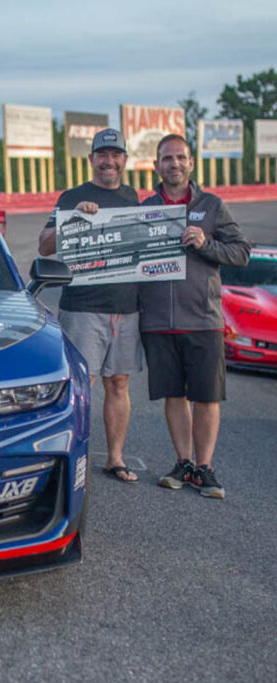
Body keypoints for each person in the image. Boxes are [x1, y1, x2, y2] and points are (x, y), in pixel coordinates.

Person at [139, 134, 250, 499]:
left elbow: (241, 253)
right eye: (167, 158)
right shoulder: (144, 209)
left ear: (190, 163)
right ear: (157, 166)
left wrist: (206, 244)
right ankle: (183, 462)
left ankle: (205, 468)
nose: (174, 164)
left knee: (205, 398)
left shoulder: (212, 206)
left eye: (180, 158)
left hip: (203, 319)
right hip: (159, 321)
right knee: (173, 396)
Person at [39, 128, 143, 483]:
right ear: (91, 160)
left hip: (126, 308)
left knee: (119, 384)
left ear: (125, 161)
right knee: (83, 386)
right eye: (103, 155)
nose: (108, 162)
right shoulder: (73, 197)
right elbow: (44, 246)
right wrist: (73, 220)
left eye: (116, 155)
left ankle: (115, 458)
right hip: (83, 307)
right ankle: (69, 456)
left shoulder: (133, 198)